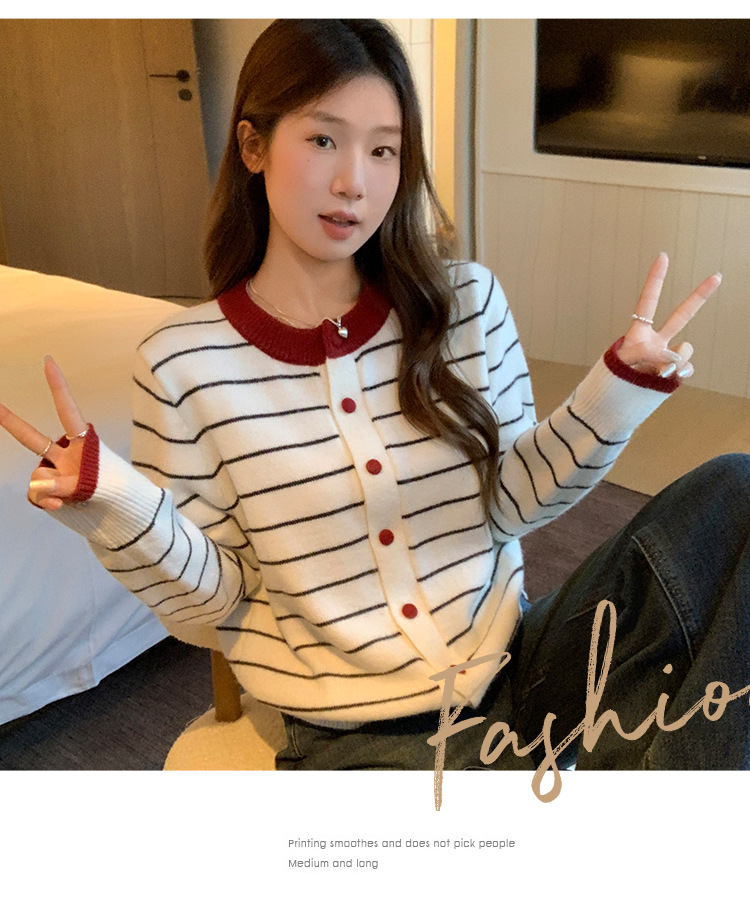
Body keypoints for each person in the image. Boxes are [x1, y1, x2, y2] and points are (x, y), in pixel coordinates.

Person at [1, 19, 748, 774]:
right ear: (253, 146)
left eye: (384, 149)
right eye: (324, 139)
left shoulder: (467, 302)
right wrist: (118, 505)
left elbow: (511, 505)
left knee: (735, 492)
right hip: (360, 739)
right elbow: (215, 606)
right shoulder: (180, 363)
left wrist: (617, 392)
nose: (354, 182)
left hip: (526, 663)